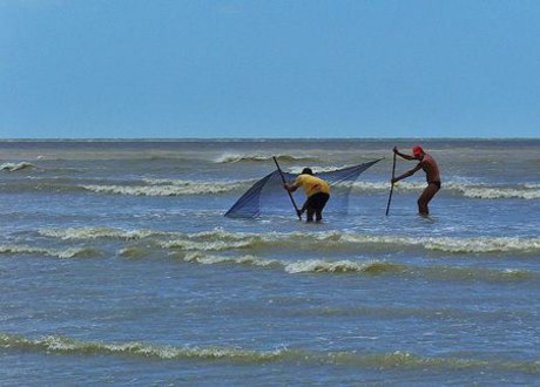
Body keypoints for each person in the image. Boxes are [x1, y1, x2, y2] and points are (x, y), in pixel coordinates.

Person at [392, 145, 441, 216]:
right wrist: (398, 153)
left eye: (418, 155)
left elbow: (411, 172)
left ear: (422, 152)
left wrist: (397, 179)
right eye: (416, 155)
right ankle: (425, 220)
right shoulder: (424, 156)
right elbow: (409, 158)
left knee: (421, 202)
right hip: (432, 183)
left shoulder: (425, 161)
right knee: (423, 203)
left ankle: (424, 219)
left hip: (434, 183)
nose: (417, 157)